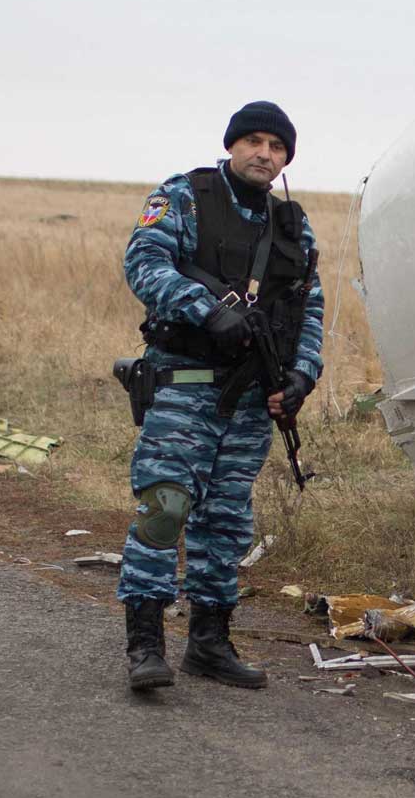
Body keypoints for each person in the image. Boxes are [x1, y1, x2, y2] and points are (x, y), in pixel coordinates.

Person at [116, 101, 325, 692]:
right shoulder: (185, 196)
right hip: (183, 385)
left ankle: (209, 642)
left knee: (227, 521)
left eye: (277, 146)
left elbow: (308, 306)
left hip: (251, 400)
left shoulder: (292, 225)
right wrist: (207, 311)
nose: (265, 153)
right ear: (233, 145)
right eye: (254, 141)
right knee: (167, 508)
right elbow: (144, 263)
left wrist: (301, 376)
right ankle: (146, 645)